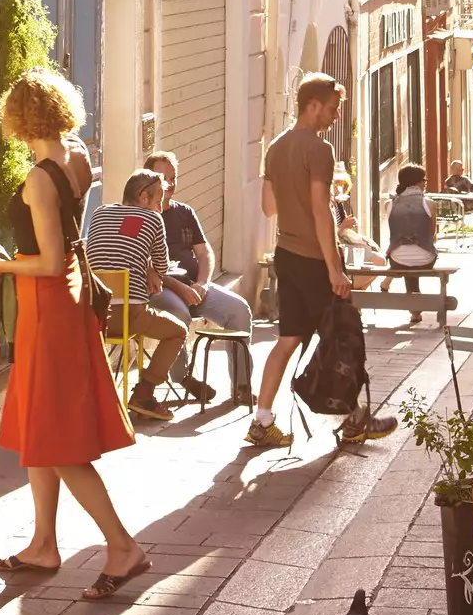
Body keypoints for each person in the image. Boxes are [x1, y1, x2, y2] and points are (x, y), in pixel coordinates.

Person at [0, 67, 147, 601]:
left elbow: (49, 262)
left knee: (57, 439)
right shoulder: (77, 156)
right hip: (69, 298)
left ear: (18, 118)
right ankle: (43, 544)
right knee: (39, 428)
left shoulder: (38, 178)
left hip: (50, 303)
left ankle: (122, 546)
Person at [248, 72, 397, 450]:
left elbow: (269, 207)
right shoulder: (319, 150)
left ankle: (262, 420)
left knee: (287, 340)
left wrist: (295, 197)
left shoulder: (277, 147)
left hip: (286, 255)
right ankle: (353, 420)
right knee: (341, 337)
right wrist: (334, 268)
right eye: (331, 110)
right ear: (312, 105)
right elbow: (319, 212)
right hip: (315, 259)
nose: (334, 117)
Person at [146, 150, 254, 403]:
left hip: (194, 286)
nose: (170, 184)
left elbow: (205, 253)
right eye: (163, 178)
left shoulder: (185, 212)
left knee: (239, 310)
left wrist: (203, 284)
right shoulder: (143, 215)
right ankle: (184, 377)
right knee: (179, 315)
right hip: (160, 290)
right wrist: (182, 290)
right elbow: (146, 266)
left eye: (174, 177)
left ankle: (242, 386)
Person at [84, 170, 190, 423]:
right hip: (127, 317)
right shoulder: (153, 220)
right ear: (144, 197)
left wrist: (144, 266)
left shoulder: (100, 212)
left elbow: (112, 248)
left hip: (91, 316)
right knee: (178, 331)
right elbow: (163, 268)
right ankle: (144, 393)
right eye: (157, 202)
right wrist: (152, 270)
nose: (160, 208)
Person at [384, 164, 437, 326]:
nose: (425, 184)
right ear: (418, 183)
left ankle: (415, 311)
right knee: (415, 261)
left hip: (397, 258)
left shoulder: (389, 204)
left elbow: (394, 231)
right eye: (424, 181)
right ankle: (415, 311)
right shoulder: (429, 204)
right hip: (425, 258)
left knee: (406, 262)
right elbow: (432, 234)